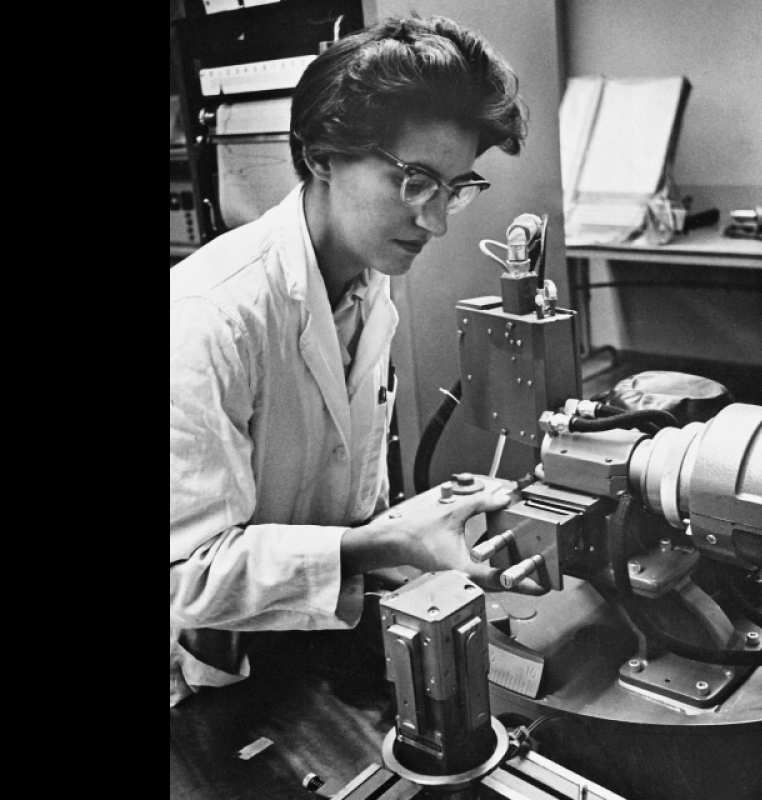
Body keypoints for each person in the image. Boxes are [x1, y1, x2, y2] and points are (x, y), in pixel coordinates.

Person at [170, 15, 540, 708]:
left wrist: (425, 535)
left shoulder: (368, 292)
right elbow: (186, 577)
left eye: (456, 187)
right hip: (202, 677)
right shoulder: (210, 314)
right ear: (319, 157)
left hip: (299, 641)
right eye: (414, 181)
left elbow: (345, 506)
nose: (437, 221)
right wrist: (387, 542)